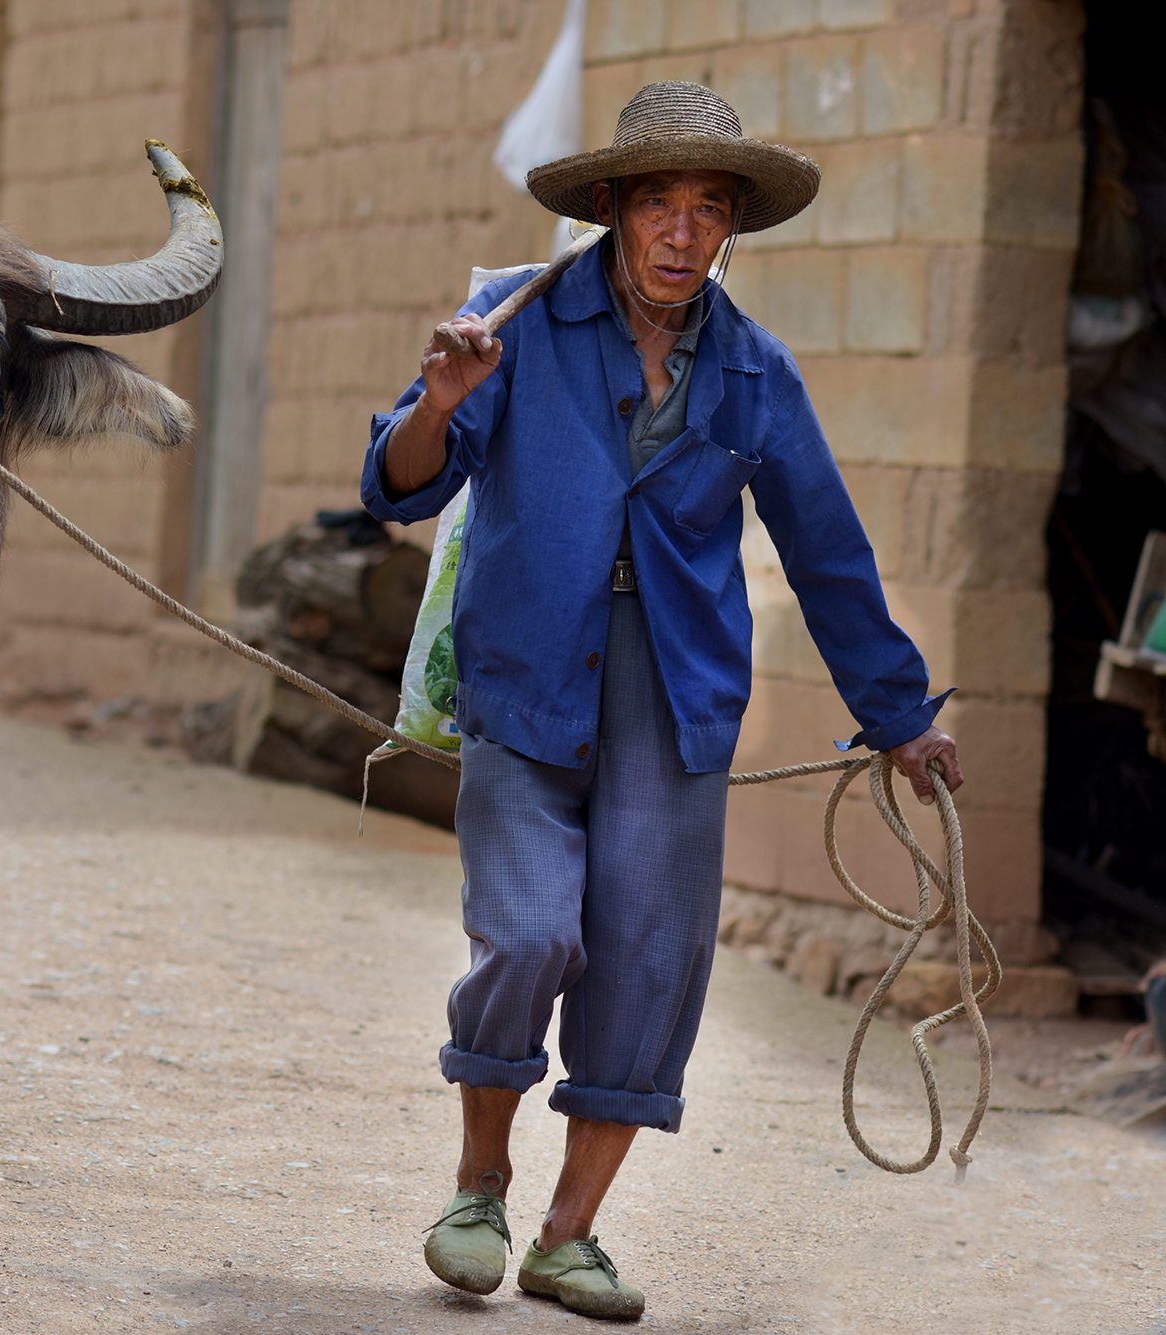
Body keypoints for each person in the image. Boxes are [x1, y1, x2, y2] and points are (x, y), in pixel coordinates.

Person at [359, 82, 966, 1320]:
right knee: (528, 933)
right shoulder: (511, 325)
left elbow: (826, 554)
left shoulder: (752, 371)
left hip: (675, 692)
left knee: (646, 960)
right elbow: (398, 490)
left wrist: (898, 718)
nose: (682, 234)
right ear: (605, 211)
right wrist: (438, 404)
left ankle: (566, 1237)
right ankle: (478, 1185)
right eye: (657, 204)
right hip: (526, 677)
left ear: (730, 227)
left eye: (707, 209)